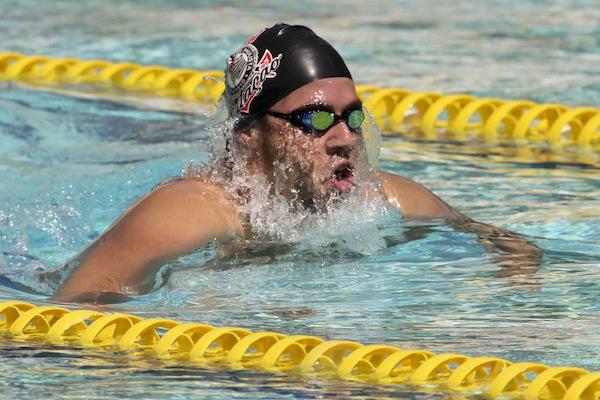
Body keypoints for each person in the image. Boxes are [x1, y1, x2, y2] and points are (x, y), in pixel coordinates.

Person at [53, 23, 540, 303]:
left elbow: (500, 241)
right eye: (316, 119)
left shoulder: (382, 196)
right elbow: (72, 309)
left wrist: (511, 295)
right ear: (248, 136)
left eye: (352, 117)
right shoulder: (195, 211)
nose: (345, 137)